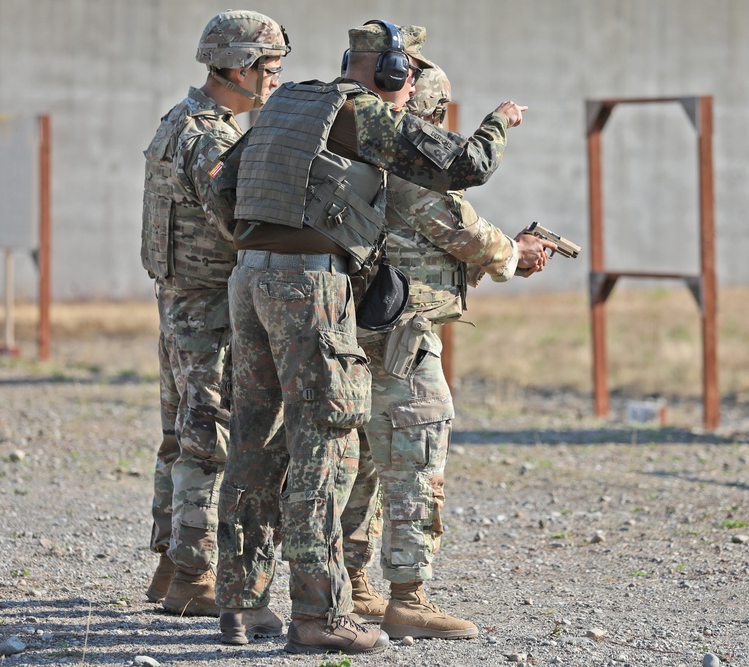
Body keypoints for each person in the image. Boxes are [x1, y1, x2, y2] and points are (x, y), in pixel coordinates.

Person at [211, 20, 528, 655]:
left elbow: (221, 186)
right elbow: (466, 165)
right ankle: (320, 614)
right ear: (391, 74)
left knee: (255, 437)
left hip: (249, 278)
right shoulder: (365, 112)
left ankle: (242, 604)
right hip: (310, 285)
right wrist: (499, 122)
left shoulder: (291, 104)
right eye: (406, 80)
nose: (408, 93)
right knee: (326, 445)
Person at [357, 64, 556, 641]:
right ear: (433, 115)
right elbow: (466, 232)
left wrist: (505, 255)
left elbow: (422, 246)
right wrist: (514, 252)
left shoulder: (353, 161)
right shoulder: (415, 174)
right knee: (418, 455)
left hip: (357, 333)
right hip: (404, 339)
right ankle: (409, 598)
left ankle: (356, 581)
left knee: (365, 461)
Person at [140, 9, 288, 623]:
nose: (275, 81)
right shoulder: (212, 137)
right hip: (207, 308)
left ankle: (171, 564)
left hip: (182, 302)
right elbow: (234, 218)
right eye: (270, 69)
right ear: (238, 67)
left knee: (180, 435)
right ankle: (195, 578)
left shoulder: (183, 118)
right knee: (210, 440)